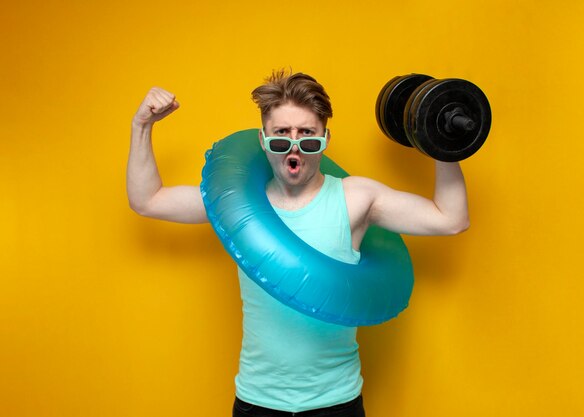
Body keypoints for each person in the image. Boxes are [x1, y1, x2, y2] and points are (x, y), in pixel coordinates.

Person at [127, 70, 469, 417]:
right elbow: (148, 200)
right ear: (262, 140)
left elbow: (450, 219)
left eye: (307, 136)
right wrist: (142, 126)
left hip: (336, 403)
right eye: (281, 136)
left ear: (326, 138)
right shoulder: (236, 206)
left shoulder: (356, 199)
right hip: (258, 402)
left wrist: (439, 138)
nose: (294, 148)